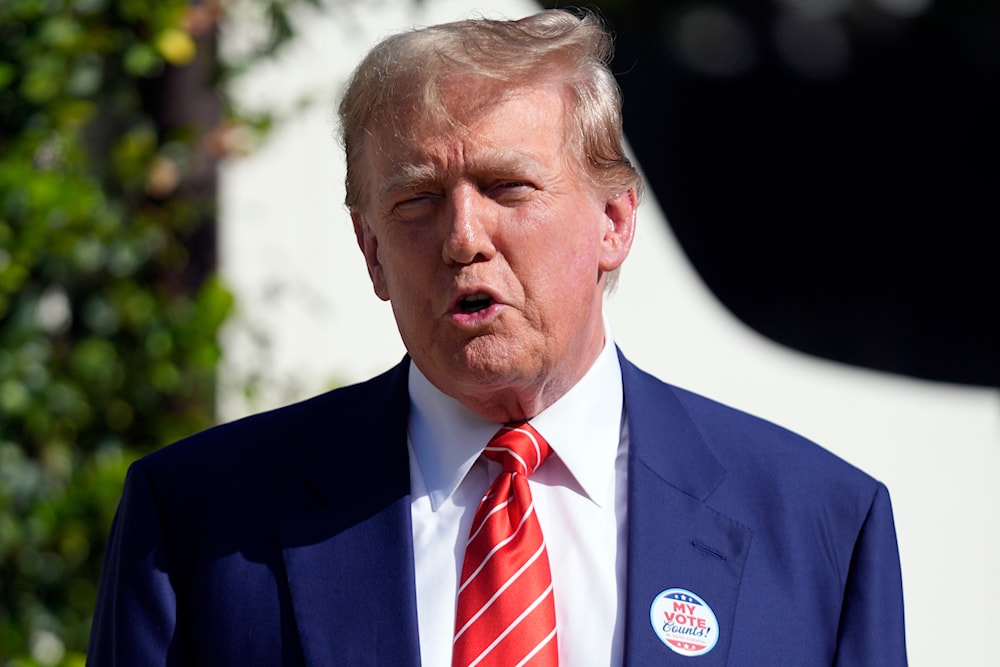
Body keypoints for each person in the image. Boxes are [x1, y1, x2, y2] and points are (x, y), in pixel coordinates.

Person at [87, 9, 907, 666]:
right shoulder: (200, 519)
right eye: (415, 201)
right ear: (370, 249)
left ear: (614, 222)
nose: (462, 237)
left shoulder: (819, 523)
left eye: (508, 186)